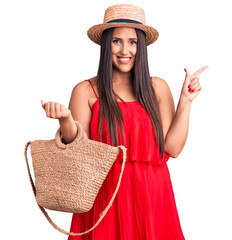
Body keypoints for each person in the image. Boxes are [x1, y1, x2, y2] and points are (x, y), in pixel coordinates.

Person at [41, 4, 208, 240]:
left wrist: (186, 101)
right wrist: (66, 119)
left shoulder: (157, 88)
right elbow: (79, 152)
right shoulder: (86, 91)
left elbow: (173, 148)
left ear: (141, 47)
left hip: (153, 197)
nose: (125, 50)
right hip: (106, 197)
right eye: (117, 41)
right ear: (105, 45)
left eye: (133, 42)